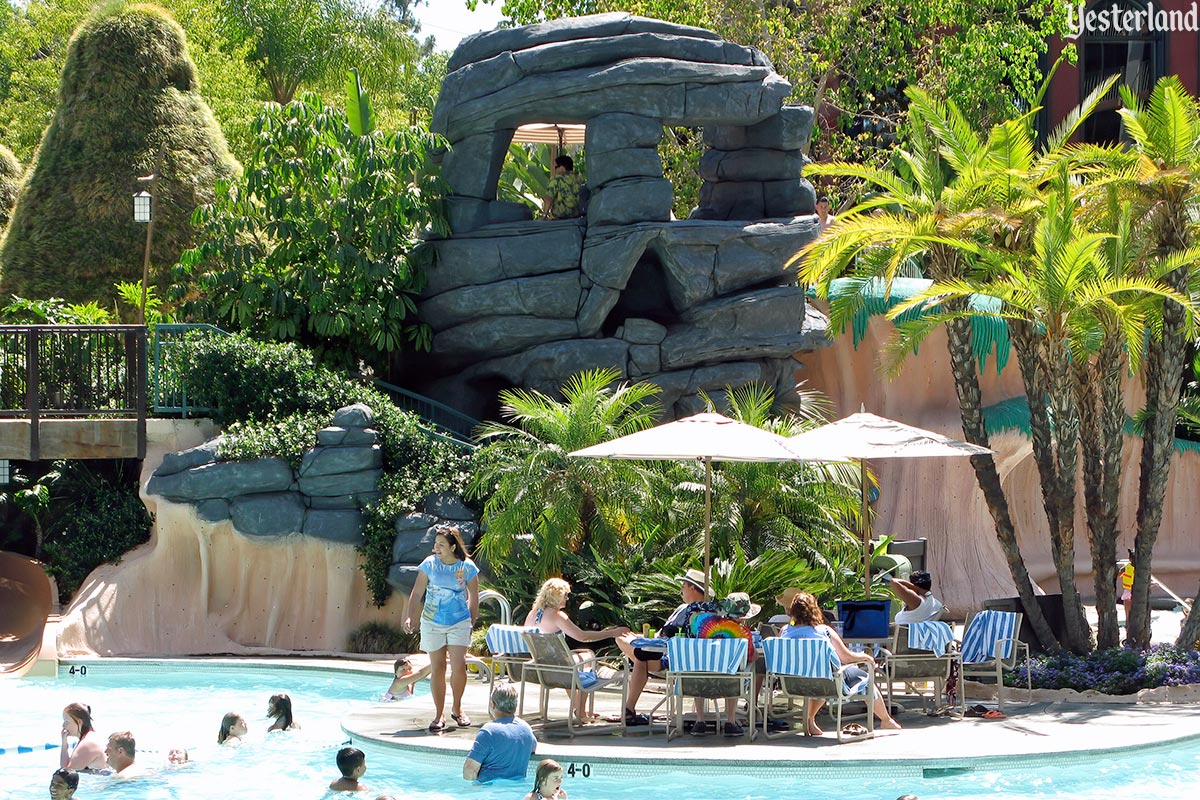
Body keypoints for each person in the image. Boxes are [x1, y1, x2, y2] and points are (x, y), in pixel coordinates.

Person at [783, 591, 901, 735]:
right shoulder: (824, 631)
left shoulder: (784, 632)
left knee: (819, 674)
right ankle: (885, 720)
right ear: (814, 610)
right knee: (864, 677)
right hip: (826, 682)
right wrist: (864, 657)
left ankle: (810, 720)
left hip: (793, 683)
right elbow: (846, 657)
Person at [402, 524, 480, 733]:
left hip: (458, 621)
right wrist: (410, 616)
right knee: (437, 668)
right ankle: (439, 714)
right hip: (432, 622)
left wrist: (471, 620)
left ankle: (457, 708)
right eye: (435, 544)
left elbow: (474, 596)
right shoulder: (429, 564)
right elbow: (417, 593)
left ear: (453, 547)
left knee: (459, 664)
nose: (437, 548)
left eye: (441, 545)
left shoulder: (467, 567)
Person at [615, 568, 714, 726]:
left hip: (678, 660)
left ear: (692, 588)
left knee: (641, 657)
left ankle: (629, 709)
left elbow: (671, 637)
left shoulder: (703, 614)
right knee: (626, 641)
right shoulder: (685, 609)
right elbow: (660, 635)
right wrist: (639, 638)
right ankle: (629, 708)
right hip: (668, 654)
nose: (681, 590)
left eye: (683, 586)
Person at [524, 578, 629, 723]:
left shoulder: (533, 613)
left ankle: (579, 709)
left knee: (575, 660)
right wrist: (612, 632)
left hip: (541, 667)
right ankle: (580, 711)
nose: (567, 598)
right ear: (557, 596)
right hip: (558, 669)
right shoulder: (557, 615)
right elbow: (583, 636)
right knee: (587, 658)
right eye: (565, 595)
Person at [462, 683, 537, 783]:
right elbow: (533, 748)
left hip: (489, 791)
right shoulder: (526, 728)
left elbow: (469, 771)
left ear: (493, 704)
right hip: (516, 790)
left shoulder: (488, 732)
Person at [59, 703, 106, 772]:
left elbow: (66, 773)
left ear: (79, 722)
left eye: (66, 721)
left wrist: (64, 746)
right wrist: (64, 743)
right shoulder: (91, 737)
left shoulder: (88, 744)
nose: (63, 726)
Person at [540, 155, 585, 220]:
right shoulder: (580, 180)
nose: (555, 170)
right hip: (577, 220)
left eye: (556, 167)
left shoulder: (557, 180)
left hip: (560, 220)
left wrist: (544, 216)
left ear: (562, 167)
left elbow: (549, 198)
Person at [1120, 549, 1136, 631]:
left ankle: (1128, 634)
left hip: (1127, 593)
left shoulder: (1125, 568)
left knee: (1127, 617)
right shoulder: (1140, 569)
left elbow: (1119, 573)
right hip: (1136, 594)